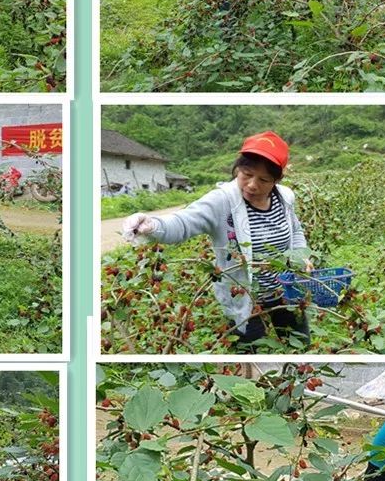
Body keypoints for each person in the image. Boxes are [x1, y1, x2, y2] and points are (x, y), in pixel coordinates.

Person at [121, 131, 311, 351]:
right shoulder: (222, 201)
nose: (251, 185)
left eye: (263, 180)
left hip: (286, 291)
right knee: (250, 350)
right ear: (237, 168)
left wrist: (301, 255)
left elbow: (295, 230)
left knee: (299, 345)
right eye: (246, 174)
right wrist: (153, 225)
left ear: (277, 180)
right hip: (244, 298)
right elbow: (182, 222)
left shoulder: (285, 197)